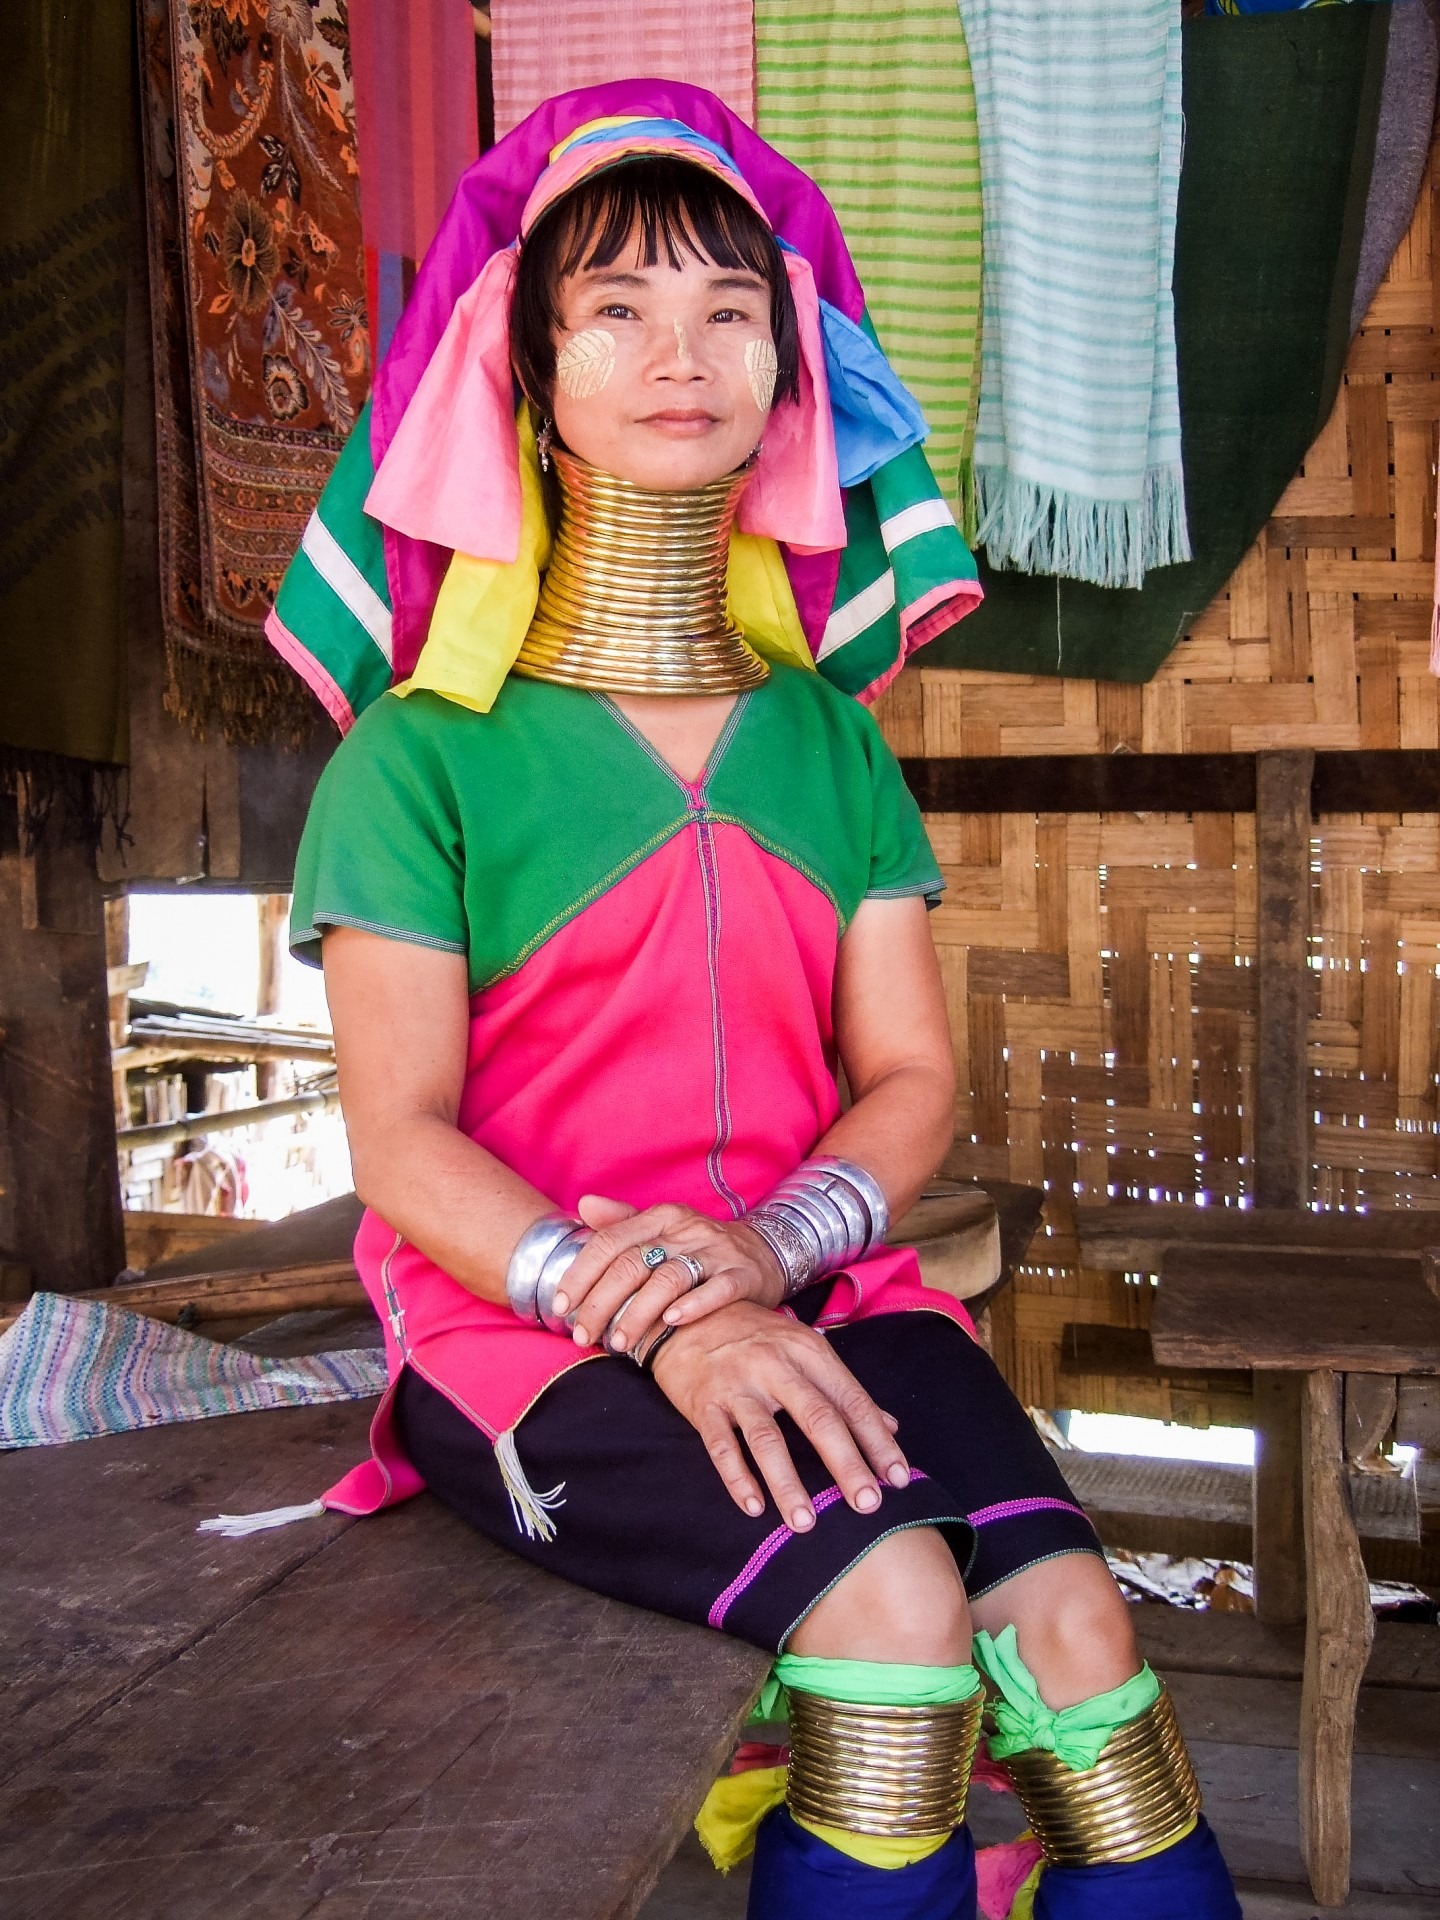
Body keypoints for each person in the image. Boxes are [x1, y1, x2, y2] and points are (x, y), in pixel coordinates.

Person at [268, 89, 1241, 1920]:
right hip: (521, 1321)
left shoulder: (832, 739)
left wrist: (770, 1255)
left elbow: (906, 1072)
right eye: (616, 310)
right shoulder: (419, 758)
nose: (680, 353)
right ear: (524, 371)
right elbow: (396, 1140)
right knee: (895, 1615)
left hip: (816, 1276)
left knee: (1087, 1640)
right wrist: (643, 1309)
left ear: (791, 375)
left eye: (731, 308)